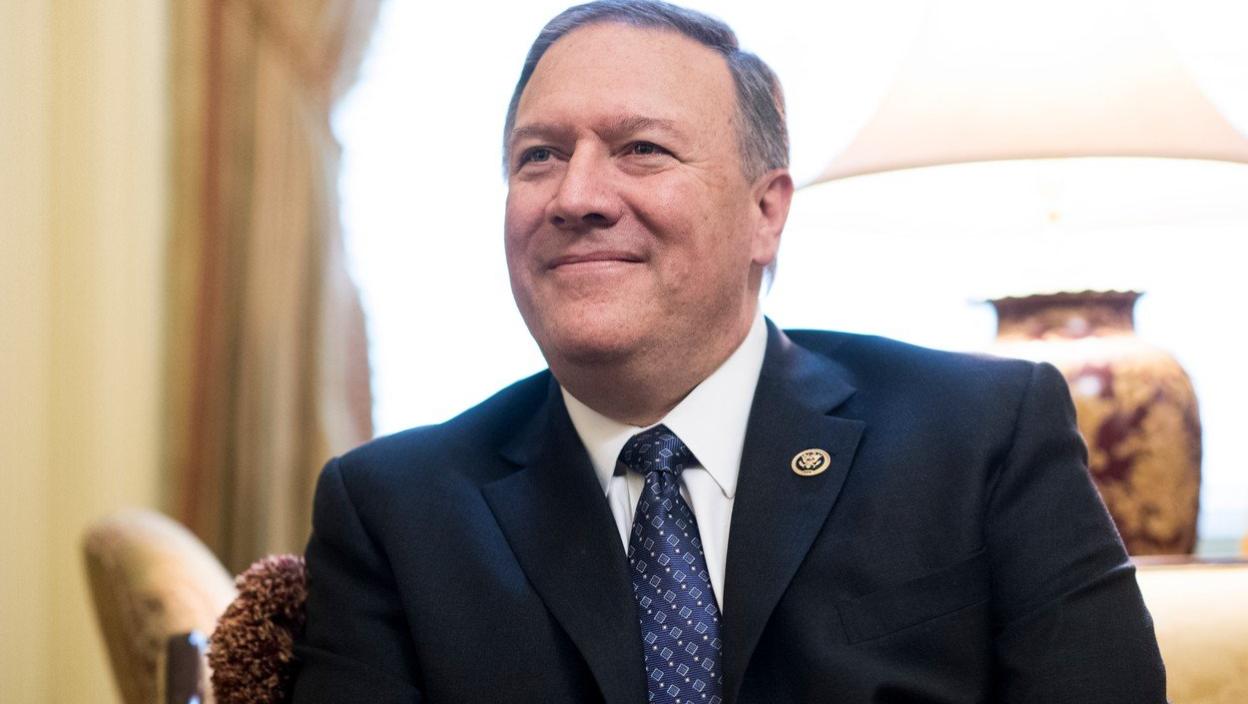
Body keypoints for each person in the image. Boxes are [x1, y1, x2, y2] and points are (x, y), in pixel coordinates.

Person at [292, 1, 1167, 702]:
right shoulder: (393, 513)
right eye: (540, 156)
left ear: (765, 211)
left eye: (641, 149)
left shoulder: (980, 436)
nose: (576, 195)